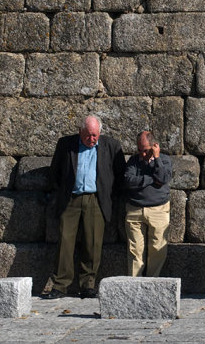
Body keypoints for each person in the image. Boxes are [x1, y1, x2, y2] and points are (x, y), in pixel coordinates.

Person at [44, 115, 126, 299]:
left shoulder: (111, 145)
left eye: (95, 135)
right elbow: (55, 171)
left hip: (95, 200)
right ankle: (60, 285)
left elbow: (120, 174)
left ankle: (88, 285)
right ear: (80, 131)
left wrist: (107, 195)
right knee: (65, 241)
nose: (92, 139)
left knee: (93, 243)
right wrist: (60, 191)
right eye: (88, 135)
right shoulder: (66, 144)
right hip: (70, 199)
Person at [124, 131, 172, 278]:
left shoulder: (164, 160)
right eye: (139, 150)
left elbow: (163, 178)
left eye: (146, 150)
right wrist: (151, 179)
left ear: (154, 146)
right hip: (135, 209)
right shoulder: (133, 161)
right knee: (135, 250)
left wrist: (156, 159)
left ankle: (152, 281)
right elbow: (128, 181)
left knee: (158, 249)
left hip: (158, 209)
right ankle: (135, 282)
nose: (142, 154)